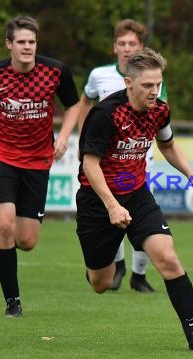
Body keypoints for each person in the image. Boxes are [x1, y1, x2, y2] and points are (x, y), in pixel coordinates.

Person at [76, 47, 193, 351]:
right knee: (101, 283)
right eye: (147, 86)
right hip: (97, 200)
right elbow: (90, 164)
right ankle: (95, 269)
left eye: (158, 84)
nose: (154, 91)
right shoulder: (105, 114)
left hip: (137, 194)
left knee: (168, 258)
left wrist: (191, 174)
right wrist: (112, 206)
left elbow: (167, 145)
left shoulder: (160, 109)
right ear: (128, 82)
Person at [0, 16, 80, 317]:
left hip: (37, 159)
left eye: (31, 42)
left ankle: (1, 252)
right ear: (9, 44)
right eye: (21, 42)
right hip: (0, 153)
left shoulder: (55, 71)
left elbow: (74, 105)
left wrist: (66, 136)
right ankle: (13, 302)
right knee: (5, 224)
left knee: (26, 241)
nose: (27, 47)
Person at [77, 19, 163, 293]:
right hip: (108, 161)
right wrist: (84, 137)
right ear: (114, 47)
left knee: (144, 223)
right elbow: (85, 103)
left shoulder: (152, 80)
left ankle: (139, 275)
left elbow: (160, 117)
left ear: (140, 47)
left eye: (132, 44)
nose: (127, 49)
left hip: (139, 162)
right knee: (112, 216)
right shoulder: (99, 75)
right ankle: (112, 266)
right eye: (122, 44)